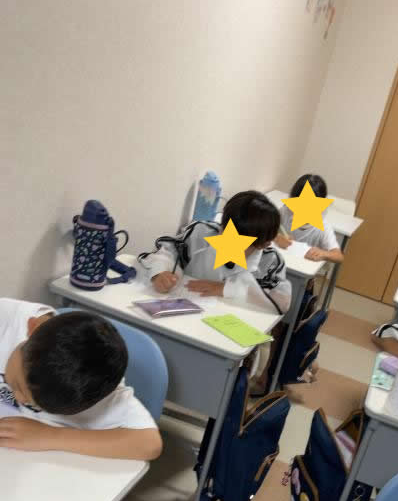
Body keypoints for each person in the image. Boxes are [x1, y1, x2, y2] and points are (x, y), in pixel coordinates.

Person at [0, 299, 162, 460]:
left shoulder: (93, 386)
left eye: (34, 404)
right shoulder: (8, 319)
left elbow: (149, 444)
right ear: (33, 327)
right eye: (18, 386)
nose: (19, 398)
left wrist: (49, 436)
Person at [140, 190, 291, 315]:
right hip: (185, 315)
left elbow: (282, 303)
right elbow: (166, 250)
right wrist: (160, 272)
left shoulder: (270, 261)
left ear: (264, 244)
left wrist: (227, 289)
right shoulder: (200, 232)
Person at [276, 174, 344, 265]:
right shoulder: (285, 211)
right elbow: (264, 231)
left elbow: (339, 256)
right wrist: (276, 238)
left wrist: (324, 254)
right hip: (282, 262)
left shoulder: (323, 227)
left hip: (304, 268)